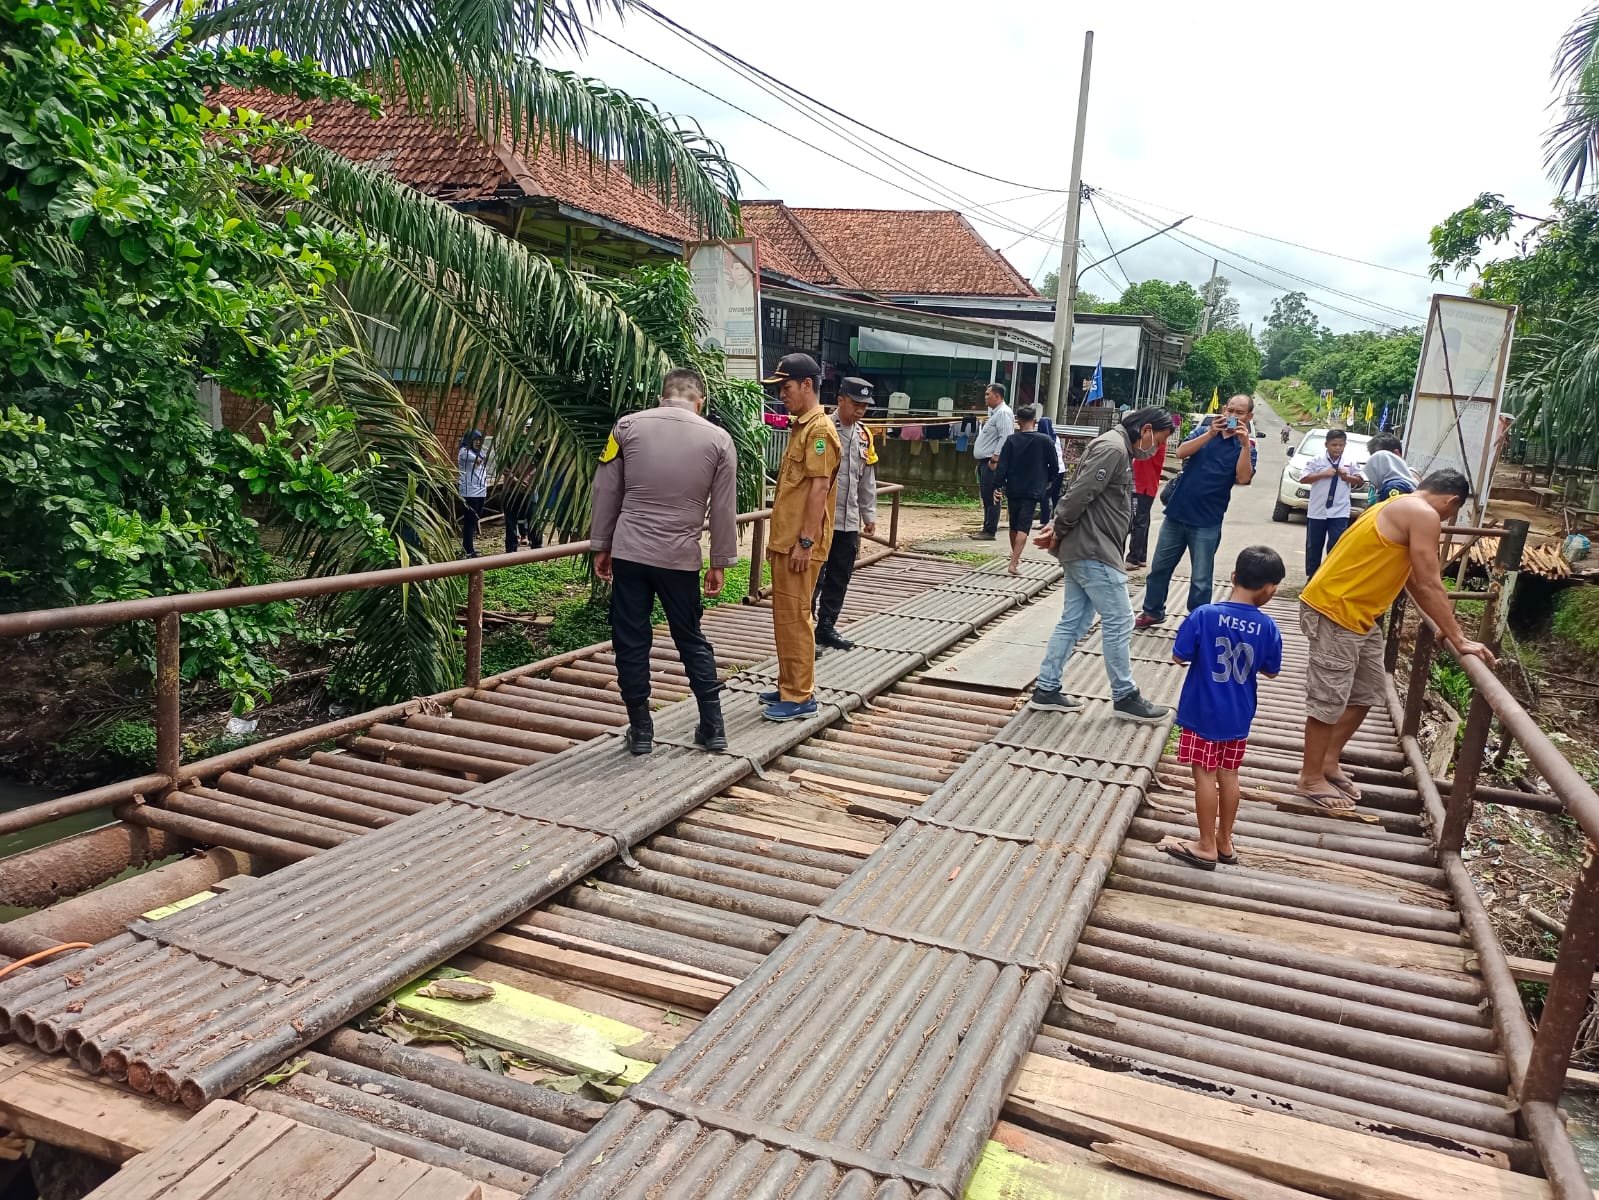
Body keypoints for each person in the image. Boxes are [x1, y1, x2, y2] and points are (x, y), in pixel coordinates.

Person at [1295, 471, 1496, 810]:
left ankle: (1329, 760)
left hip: (1361, 615)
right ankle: (1309, 777)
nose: (1447, 520)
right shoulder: (1423, 514)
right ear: (1451, 502)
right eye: (1452, 514)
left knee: (1366, 693)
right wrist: (1459, 639)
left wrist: (1444, 625)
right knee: (1329, 698)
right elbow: (1431, 581)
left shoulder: (1398, 504)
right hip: (1336, 609)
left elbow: (1417, 579)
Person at [590, 368, 738, 756]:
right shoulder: (719, 439)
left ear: (661, 396)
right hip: (680, 559)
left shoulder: (627, 427)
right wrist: (719, 560)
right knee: (690, 638)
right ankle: (713, 727)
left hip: (631, 553)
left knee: (631, 639)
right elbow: (723, 509)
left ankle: (640, 730)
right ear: (699, 401)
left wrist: (602, 544)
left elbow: (607, 490)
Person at [1028, 407, 1177, 723]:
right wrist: (1057, 526)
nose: (1156, 448)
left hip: (1089, 546)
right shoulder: (1113, 447)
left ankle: (1047, 687)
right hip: (1093, 549)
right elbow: (1082, 491)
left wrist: (1060, 528)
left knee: (1075, 620)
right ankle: (1125, 695)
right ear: (1146, 429)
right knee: (1121, 619)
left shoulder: (1118, 446)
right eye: (1158, 441)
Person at [1159, 546, 1286, 870]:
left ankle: (1204, 845)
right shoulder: (1268, 626)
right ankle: (1224, 841)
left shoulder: (1204, 615)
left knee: (1204, 775)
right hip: (1239, 714)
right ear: (1269, 590)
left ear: (1233, 577)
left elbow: (1179, 655)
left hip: (1203, 712)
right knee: (1229, 775)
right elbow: (1271, 670)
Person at [759, 353, 841, 721]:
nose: (782, 395)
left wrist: (806, 542)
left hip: (800, 544)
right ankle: (789, 682)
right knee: (785, 616)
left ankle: (800, 695)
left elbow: (819, 488)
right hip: (787, 541)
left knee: (795, 616)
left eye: (786, 387)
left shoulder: (819, 431)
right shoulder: (802, 427)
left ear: (807, 385)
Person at [1136, 394, 1257, 629]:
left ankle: (1197, 621)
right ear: (1223, 409)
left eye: (1239, 413)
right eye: (1230, 410)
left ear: (1249, 416)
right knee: (1159, 568)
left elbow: (1243, 478)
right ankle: (1152, 611)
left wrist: (1243, 444)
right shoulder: (1204, 431)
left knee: (1201, 579)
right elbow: (1180, 452)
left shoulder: (1247, 447)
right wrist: (1210, 433)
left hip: (1208, 521)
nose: (1232, 416)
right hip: (1177, 513)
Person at [813, 377, 878, 651]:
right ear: (840, 400)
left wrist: (869, 514)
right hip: (821, 518)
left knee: (840, 574)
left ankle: (826, 626)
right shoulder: (823, 428)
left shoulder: (864, 435)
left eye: (865, 405)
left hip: (849, 519)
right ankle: (805, 626)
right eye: (856, 404)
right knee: (815, 574)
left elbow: (867, 479)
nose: (860, 410)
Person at [992, 404, 1061, 576]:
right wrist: (1047, 481)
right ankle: (1014, 563)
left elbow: (1002, 466)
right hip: (1033, 489)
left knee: (1014, 525)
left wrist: (997, 485)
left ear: (1018, 421)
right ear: (1035, 421)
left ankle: (1014, 554)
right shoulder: (1045, 441)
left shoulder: (1011, 440)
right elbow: (1054, 466)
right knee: (1024, 526)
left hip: (1014, 488)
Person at [1301, 428, 1362, 578]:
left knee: (1336, 544)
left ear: (1345, 445)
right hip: (1318, 510)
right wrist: (1323, 474)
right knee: (1314, 545)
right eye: (1334, 445)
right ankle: (1312, 576)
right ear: (1326, 445)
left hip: (1339, 511)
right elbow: (1303, 478)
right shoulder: (1316, 460)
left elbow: (1360, 481)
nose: (1337, 448)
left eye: (1341, 445)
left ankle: (1330, 575)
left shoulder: (1350, 462)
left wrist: (1346, 477)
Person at [972, 383, 1015, 541]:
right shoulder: (996, 413)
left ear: (997, 396)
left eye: (987, 394)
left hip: (992, 462)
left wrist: (995, 459)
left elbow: (1005, 437)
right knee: (986, 495)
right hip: (986, 461)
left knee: (992, 495)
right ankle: (986, 527)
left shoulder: (1003, 413)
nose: (985, 397)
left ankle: (990, 530)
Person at [1126, 423, 1167, 569]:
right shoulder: (1156, 440)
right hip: (1145, 484)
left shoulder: (1154, 441)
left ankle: (1133, 558)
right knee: (1143, 520)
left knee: (1139, 521)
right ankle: (1141, 556)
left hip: (1143, 485)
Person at [457, 429, 489, 558]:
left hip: (481, 491)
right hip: (470, 492)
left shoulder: (478, 452)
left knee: (475, 520)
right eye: (475, 440)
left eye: (479, 440)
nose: (478, 443)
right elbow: (479, 460)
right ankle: (468, 550)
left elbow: (483, 458)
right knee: (469, 522)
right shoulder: (464, 452)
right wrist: (480, 456)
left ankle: (470, 547)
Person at [1363, 433, 1418, 503]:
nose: (1375, 465)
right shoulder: (1408, 479)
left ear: (1396, 454)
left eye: (1379, 459)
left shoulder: (1395, 486)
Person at [1037, 415, 1066, 516]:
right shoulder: (1056, 437)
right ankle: (1056, 520)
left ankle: (1044, 520)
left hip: (1049, 470)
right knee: (1056, 495)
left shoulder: (1042, 439)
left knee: (1044, 495)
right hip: (1061, 469)